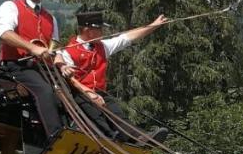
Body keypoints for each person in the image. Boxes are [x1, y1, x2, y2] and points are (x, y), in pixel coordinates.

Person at [57, 10, 169, 142]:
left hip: (100, 92)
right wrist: (89, 94)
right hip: (80, 94)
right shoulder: (67, 52)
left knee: (117, 114)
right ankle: (111, 140)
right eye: (99, 29)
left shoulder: (103, 46)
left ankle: (140, 138)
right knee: (97, 117)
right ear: (88, 30)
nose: (102, 32)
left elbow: (127, 37)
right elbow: (71, 80)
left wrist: (153, 26)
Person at [0, 0, 64, 154]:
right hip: (15, 65)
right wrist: (33, 48)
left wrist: (60, 62)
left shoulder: (51, 18)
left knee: (69, 91)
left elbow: (54, 47)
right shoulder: (10, 7)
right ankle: (56, 139)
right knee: (45, 91)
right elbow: (4, 34)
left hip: (41, 68)